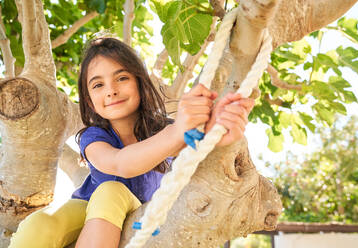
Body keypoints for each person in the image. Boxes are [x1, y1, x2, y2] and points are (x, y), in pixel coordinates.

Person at [9, 37, 254, 248]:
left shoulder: (164, 131)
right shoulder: (94, 136)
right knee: (39, 222)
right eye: (98, 84)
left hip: (142, 214)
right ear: (90, 100)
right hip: (88, 208)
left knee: (111, 192)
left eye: (122, 78)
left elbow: (203, 152)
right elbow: (120, 164)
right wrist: (177, 131)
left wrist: (222, 130)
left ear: (139, 82)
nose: (111, 90)